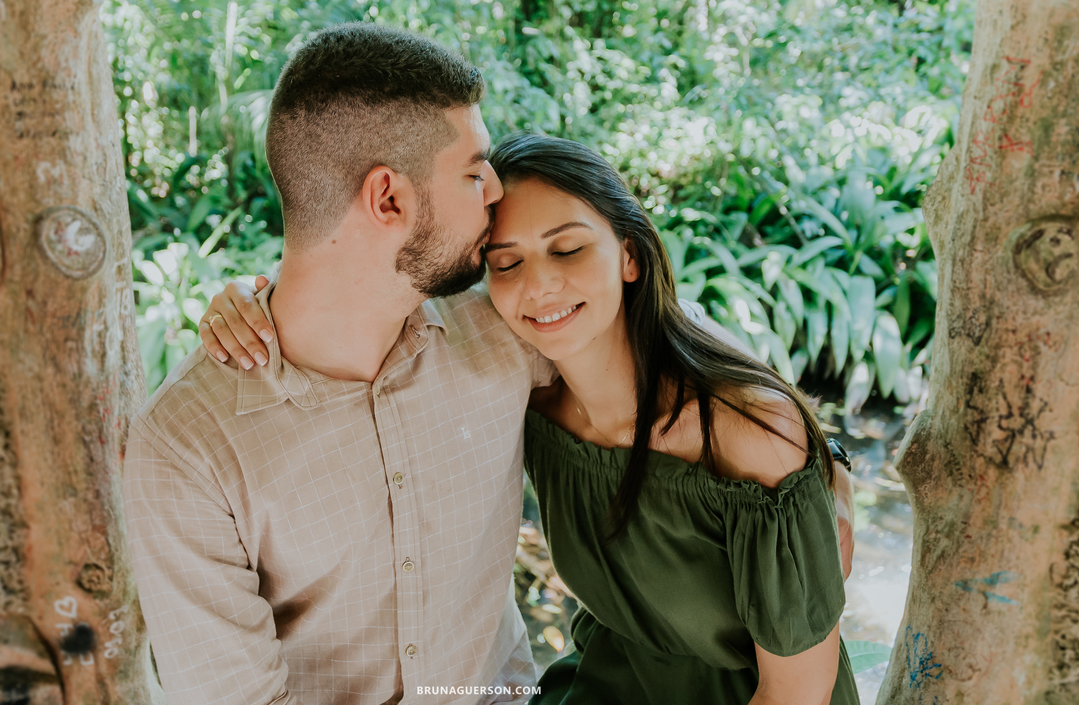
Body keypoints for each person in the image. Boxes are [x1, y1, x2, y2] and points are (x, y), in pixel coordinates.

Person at [200, 133, 860, 704]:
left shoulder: (749, 440)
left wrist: (815, 453)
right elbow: (363, 308)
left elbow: (797, 694)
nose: (538, 285)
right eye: (507, 263)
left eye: (568, 249)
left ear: (630, 255)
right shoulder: (527, 395)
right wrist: (257, 299)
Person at [122, 22, 555, 705]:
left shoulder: (506, 334)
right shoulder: (187, 448)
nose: (497, 192)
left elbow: (661, 347)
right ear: (388, 198)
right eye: (474, 173)